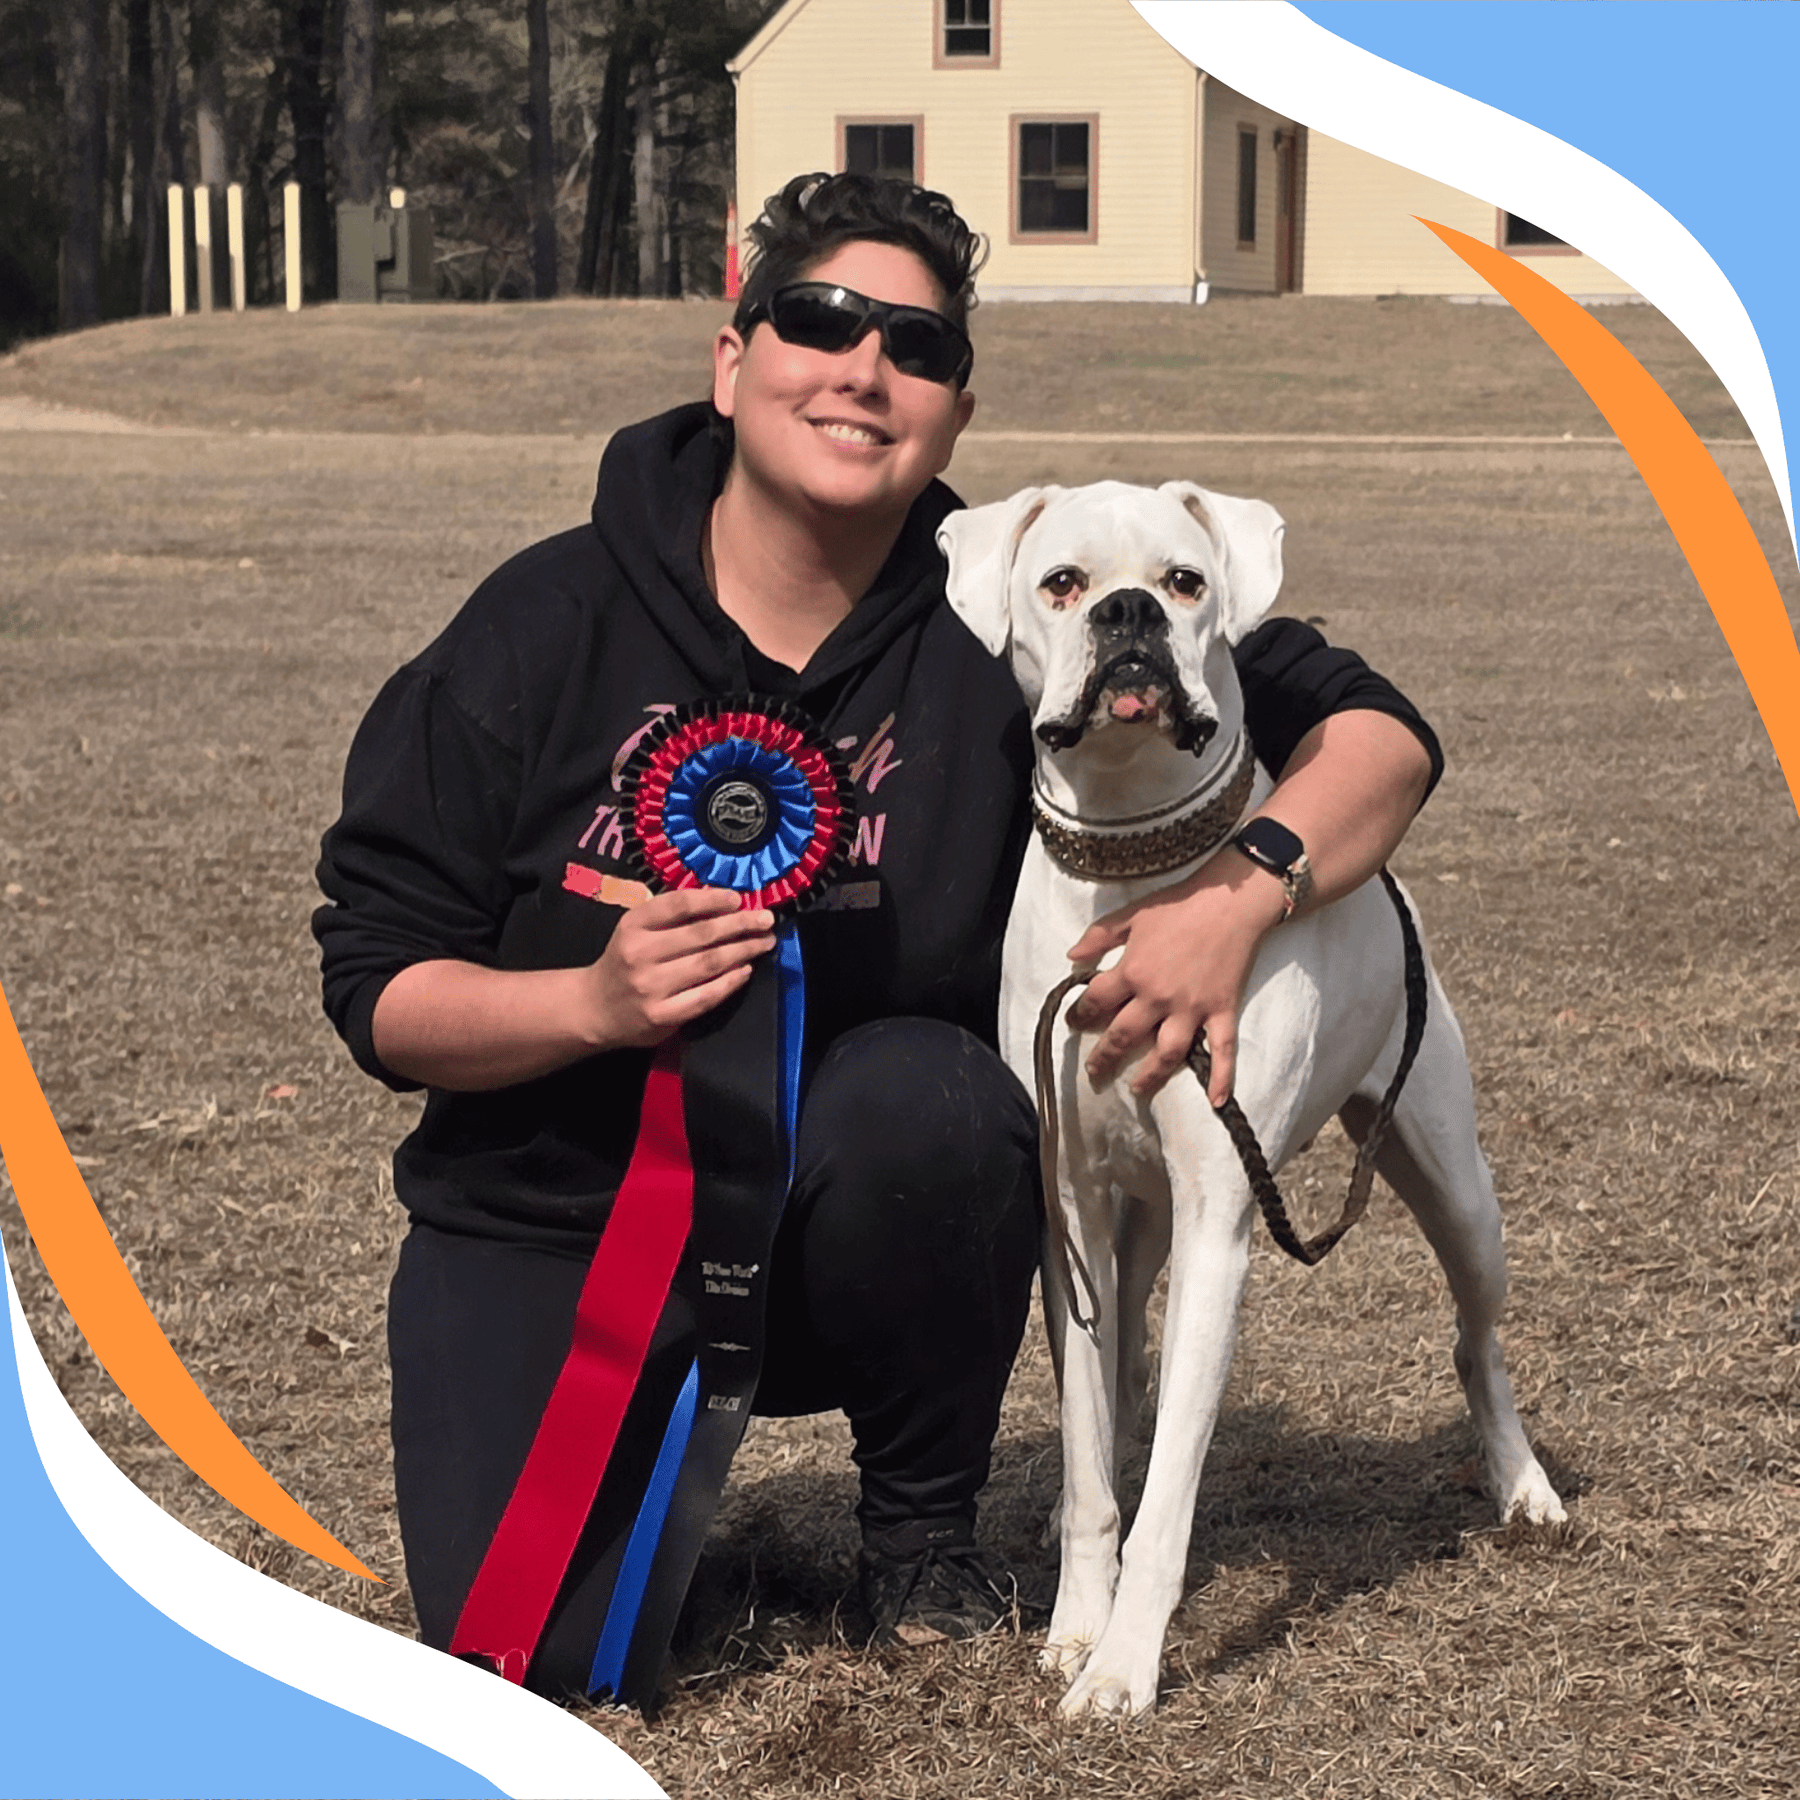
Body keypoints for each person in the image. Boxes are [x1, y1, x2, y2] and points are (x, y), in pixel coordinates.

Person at [313, 172, 1440, 1700]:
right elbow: (376, 983)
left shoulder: (1018, 610)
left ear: (955, 415)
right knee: (545, 1659)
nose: (863, 366)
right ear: (733, 360)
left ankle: (918, 1537)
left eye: (916, 345)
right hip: (555, 1220)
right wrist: (589, 1004)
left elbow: (1380, 733)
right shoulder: (543, 620)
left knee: (944, 1097)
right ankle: (636, 1463)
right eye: (820, 319)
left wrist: (1239, 900)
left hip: (862, 1212)